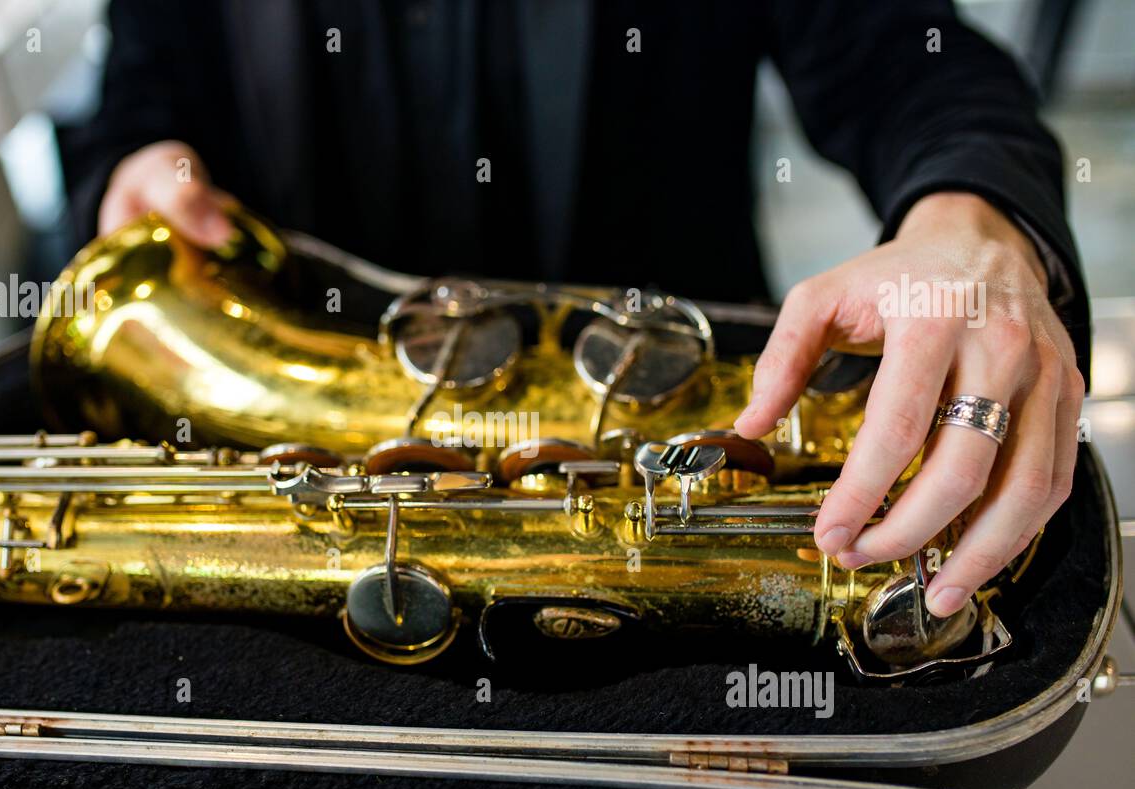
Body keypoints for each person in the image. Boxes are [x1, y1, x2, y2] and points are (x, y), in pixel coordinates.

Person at [66, 0, 1090, 620]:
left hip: (680, 480)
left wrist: (978, 229)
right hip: (301, 512)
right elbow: (141, 95)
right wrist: (139, 168)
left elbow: (908, 61)